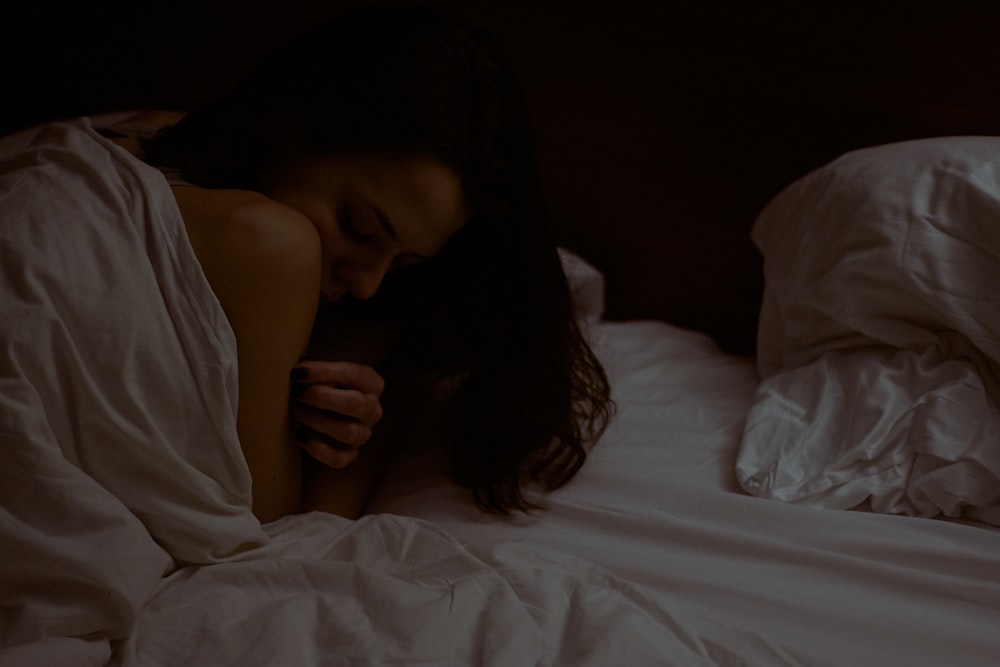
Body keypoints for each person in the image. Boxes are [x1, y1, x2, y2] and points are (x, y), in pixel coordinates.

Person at [5, 3, 613, 525]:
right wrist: (366, 426)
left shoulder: (140, 128)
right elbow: (283, 531)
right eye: (360, 228)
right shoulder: (274, 243)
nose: (369, 284)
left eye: (404, 263)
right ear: (291, 124)